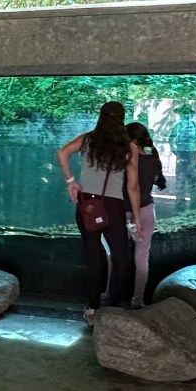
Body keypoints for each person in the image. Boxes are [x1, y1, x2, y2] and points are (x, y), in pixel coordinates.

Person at [56, 101, 143, 327]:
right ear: (122, 119)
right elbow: (133, 186)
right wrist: (136, 218)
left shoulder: (88, 139)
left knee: (94, 257)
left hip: (87, 206)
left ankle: (93, 308)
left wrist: (71, 181)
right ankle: (114, 306)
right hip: (113, 207)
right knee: (121, 258)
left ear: (101, 116)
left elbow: (62, 153)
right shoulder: (129, 147)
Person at [124, 122, 167, 308]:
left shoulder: (124, 160)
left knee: (113, 256)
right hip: (147, 211)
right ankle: (138, 299)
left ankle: (110, 294)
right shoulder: (152, 160)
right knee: (142, 258)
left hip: (124, 212)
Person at [168, 104, 196, 212]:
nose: (183, 116)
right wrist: (175, 152)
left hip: (190, 157)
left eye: (185, 114)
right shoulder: (178, 126)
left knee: (191, 183)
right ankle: (180, 207)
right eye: (182, 114)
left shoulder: (195, 127)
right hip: (182, 157)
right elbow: (171, 140)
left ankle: (192, 207)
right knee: (181, 183)